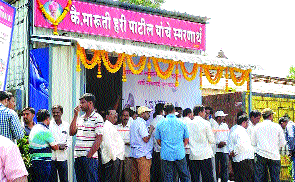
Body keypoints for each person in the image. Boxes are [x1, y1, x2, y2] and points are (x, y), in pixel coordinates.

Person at [70, 93, 104, 182]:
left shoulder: (97, 118)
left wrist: (89, 155)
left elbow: (99, 138)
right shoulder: (80, 118)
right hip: (78, 157)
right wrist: (75, 116)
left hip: (89, 158)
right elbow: (72, 132)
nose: (80, 105)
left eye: (82, 103)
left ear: (90, 103)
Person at [155, 103, 190, 182]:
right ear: (174, 111)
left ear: (164, 112)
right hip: (179, 152)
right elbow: (186, 139)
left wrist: (164, 146)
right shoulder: (182, 122)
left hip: (166, 154)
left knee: (168, 177)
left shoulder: (160, 123)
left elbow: (158, 141)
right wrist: (181, 146)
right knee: (184, 176)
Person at [252, 108, 286, 182]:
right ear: (270, 116)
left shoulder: (257, 127)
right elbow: (282, 143)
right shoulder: (277, 126)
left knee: (259, 178)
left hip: (261, 154)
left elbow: (253, 143)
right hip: (274, 155)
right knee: (275, 178)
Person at [29, 109, 59, 182]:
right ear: (47, 118)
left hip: (34, 161)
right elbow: (55, 147)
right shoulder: (45, 131)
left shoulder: (34, 128)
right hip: (43, 163)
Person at [188, 105, 215, 182]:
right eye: (204, 112)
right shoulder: (206, 123)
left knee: (195, 178)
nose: (205, 114)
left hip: (193, 155)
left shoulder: (189, 124)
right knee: (207, 178)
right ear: (200, 112)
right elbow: (212, 139)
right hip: (205, 154)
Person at [130, 106, 154, 182]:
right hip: (143, 155)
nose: (149, 115)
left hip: (135, 154)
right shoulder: (141, 123)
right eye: (147, 113)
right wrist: (151, 130)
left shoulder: (134, 122)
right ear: (142, 114)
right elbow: (146, 139)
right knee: (144, 178)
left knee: (135, 178)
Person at [228, 115, 254, 182]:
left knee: (240, 178)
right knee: (244, 178)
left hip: (240, 159)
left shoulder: (235, 129)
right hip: (242, 159)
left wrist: (232, 153)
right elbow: (240, 144)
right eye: (247, 122)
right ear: (244, 122)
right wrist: (234, 152)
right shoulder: (240, 131)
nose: (248, 124)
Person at [101, 109, 125, 182]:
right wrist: (114, 158)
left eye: (116, 113)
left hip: (114, 158)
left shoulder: (111, 126)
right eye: (112, 114)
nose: (115, 115)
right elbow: (108, 144)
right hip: (111, 159)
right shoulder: (106, 127)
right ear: (107, 116)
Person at [49, 105, 70, 182]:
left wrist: (65, 147)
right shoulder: (49, 125)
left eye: (57, 112)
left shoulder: (66, 125)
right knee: (52, 180)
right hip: (52, 158)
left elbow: (69, 140)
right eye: (54, 112)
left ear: (61, 113)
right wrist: (57, 146)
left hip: (63, 157)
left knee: (64, 179)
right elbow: (48, 140)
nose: (55, 114)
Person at [117, 109, 132, 182]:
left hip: (128, 156)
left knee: (128, 177)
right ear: (120, 117)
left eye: (127, 116)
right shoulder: (117, 127)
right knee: (118, 177)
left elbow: (133, 141)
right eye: (124, 115)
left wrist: (122, 142)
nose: (125, 117)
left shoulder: (131, 127)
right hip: (118, 156)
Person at [150, 103, 165, 182]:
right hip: (164, 150)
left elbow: (150, 135)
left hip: (155, 150)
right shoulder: (164, 120)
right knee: (164, 172)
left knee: (156, 171)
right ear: (162, 110)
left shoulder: (153, 121)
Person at [214, 110, 229, 182]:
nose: (224, 118)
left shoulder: (225, 125)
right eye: (222, 117)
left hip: (224, 150)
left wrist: (224, 143)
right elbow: (212, 137)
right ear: (218, 117)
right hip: (215, 150)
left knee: (225, 168)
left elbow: (228, 136)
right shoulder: (213, 125)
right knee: (215, 168)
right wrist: (218, 143)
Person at [205, 106, 218, 182]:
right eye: (205, 113)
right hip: (203, 149)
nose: (206, 115)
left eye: (208, 113)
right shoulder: (202, 122)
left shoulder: (213, 123)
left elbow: (211, 134)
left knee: (212, 168)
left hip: (211, 149)